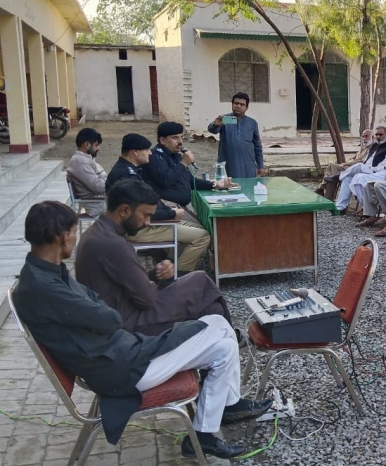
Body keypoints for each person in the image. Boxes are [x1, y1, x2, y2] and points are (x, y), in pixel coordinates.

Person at [13, 201, 272, 457]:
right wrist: (101, 310)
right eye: (72, 232)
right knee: (221, 338)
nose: (74, 238)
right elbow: (108, 318)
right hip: (122, 369)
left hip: (119, 354)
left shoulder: (42, 275)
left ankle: (215, 422)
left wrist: (99, 310)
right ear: (62, 236)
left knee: (220, 332)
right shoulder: (44, 288)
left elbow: (96, 304)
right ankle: (215, 422)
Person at [76, 180, 235, 337]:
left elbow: (125, 282)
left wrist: (155, 274)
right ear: (124, 210)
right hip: (128, 323)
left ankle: (228, 340)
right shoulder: (113, 244)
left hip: (119, 314)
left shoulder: (96, 233)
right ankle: (234, 337)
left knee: (213, 309)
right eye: (145, 216)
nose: (147, 223)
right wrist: (154, 283)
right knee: (200, 281)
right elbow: (147, 298)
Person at [106, 134, 211, 274]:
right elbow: (137, 213)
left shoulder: (131, 169)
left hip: (155, 220)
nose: (150, 153)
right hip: (140, 228)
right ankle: (177, 275)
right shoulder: (124, 175)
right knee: (203, 236)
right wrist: (171, 213)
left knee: (199, 228)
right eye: (147, 150)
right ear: (135, 152)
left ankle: (166, 265)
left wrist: (169, 211)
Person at [143, 122, 231, 209]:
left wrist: (215, 184)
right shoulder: (155, 156)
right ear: (163, 140)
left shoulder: (176, 156)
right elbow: (165, 180)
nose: (180, 141)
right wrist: (184, 163)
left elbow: (190, 181)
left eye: (181, 137)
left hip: (182, 206)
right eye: (175, 138)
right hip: (167, 208)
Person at [338, 129, 386, 214]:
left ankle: (368, 209)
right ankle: (341, 207)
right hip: (376, 170)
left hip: (383, 173)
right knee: (348, 178)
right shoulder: (376, 146)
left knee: (358, 173)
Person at [207, 92, 264, 179]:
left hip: (247, 165)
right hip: (228, 164)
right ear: (232, 104)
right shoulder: (224, 120)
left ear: (246, 107)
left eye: (242, 104)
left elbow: (257, 146)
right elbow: (212, 130)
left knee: (248, 188)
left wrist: (260, 165)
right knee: (228, 188)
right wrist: (215, 124)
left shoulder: (252, 123)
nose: (238, 106)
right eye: (236, 103)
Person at [316, 129, 373, 200]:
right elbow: (353, 158)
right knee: (331, 177)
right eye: (363, 137)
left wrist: (346, 163)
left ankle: (321, 188)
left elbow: (361, 162)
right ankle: (328, 199)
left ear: (372, 137)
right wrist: (348, 163)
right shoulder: (363, 148)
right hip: (349, 167)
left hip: (356, 170)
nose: (364, 139)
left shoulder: (372, 149)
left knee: (332, 167)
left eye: (366, 136)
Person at [67, 127, 107, 216]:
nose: (99, 148)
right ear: (87, 144)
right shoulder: (81, 162)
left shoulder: (85, 159)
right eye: (96, 145)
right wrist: (114, 185)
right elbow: (96, 186)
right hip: (98, 204)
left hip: (101, 200)